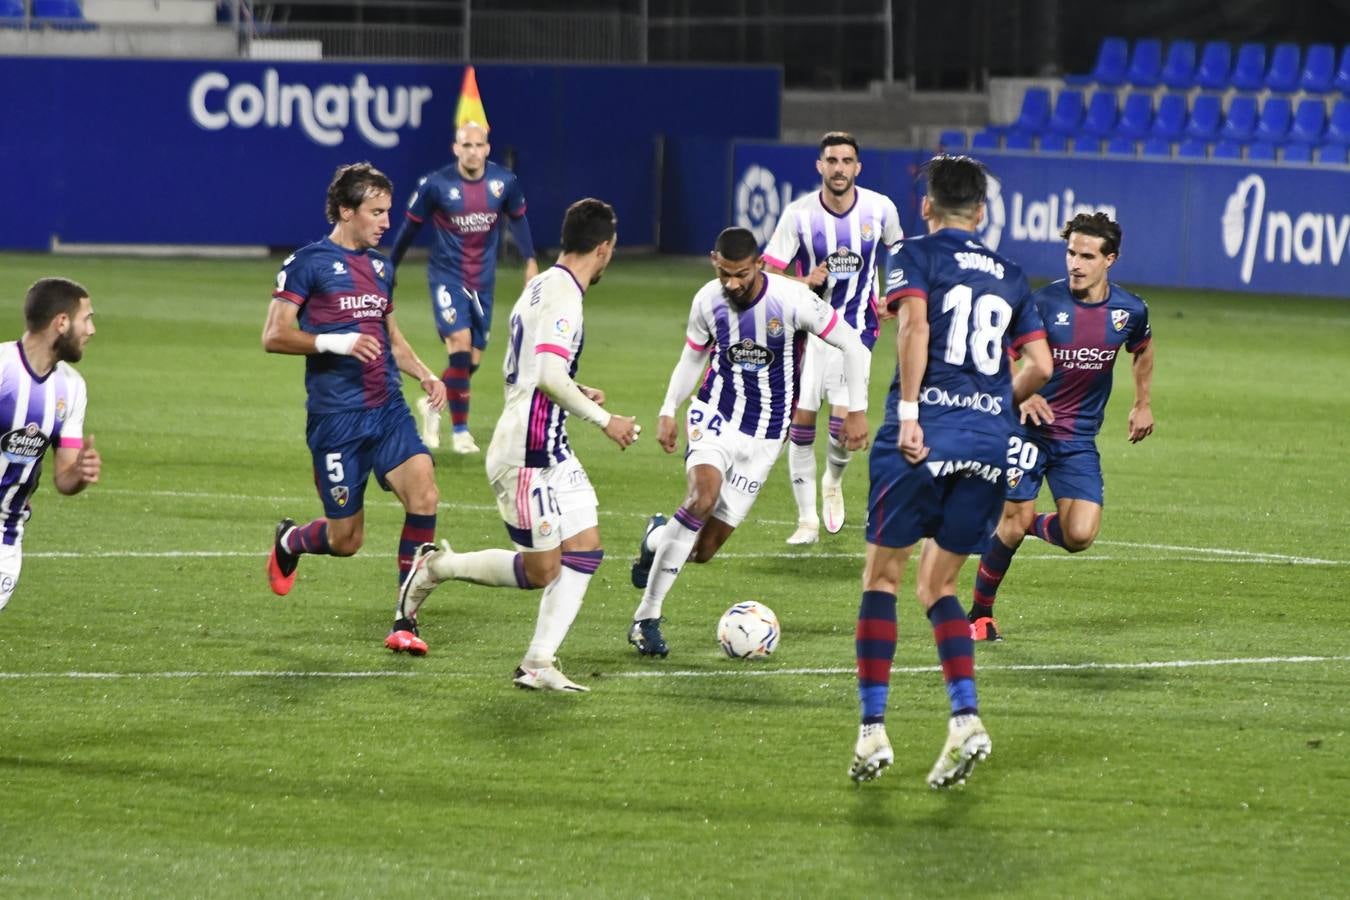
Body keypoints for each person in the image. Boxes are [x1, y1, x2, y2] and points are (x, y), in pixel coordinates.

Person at [848, 155, 1052, 789]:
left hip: (921, 436)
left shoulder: (916, 254)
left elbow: (912, 323)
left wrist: (910, 412)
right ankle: (965, 719)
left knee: (883, 577)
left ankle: (873, 731)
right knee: (939, 587)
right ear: (984, 212)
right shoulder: (1014, 275)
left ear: (927, 207)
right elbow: (1041, 364)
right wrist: (996, 405)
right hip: (990, 445)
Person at [395, 198, 640, 692]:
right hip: (526, 455)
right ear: (605, 248)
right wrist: (604, 418)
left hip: (548, 445)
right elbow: (548, 374)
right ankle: (437, 566)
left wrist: (576, 388)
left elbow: (537, 373)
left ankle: (538, 662)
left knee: (586, 547)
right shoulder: (565, 297)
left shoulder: (542, 285)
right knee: (542, 570)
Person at [627, 226, 871, 658]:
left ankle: (655, 538)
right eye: (725, 273)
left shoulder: (792, 300)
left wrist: (855, 409)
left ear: (759, 263)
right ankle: (646, 617)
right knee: (702, 498)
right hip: (715, 416)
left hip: (765, 437)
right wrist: (669, 407)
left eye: (740, 274)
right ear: (713, 262)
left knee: (701, 551)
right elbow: (693, 356)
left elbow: (851, 343)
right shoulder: (707, 299)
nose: (733, 283)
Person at [263, 162, 448, 656]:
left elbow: (390, 339)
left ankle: (405, 618)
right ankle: (291, 542)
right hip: (337, 420)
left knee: (425, 495)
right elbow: (274, 335)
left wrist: (426, 374)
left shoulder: (381, 268)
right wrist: (334, 343)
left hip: (386, 409)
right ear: (346, 211)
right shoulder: (307, 263)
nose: (386, 222)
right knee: (346, 540)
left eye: (388, 211)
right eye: (376, 212)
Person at [968, 212, 1154, 642]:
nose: (1075, 263)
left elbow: (1142, 348)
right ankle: (980, 614)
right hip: (1026, 431)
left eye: (1087, 256)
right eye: (1071, 252)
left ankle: (1023, 521)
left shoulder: (1129, 311)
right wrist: (1024, 391)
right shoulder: (1041, 304)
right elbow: (1000, 351)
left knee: (1080, 535)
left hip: (1077, 439)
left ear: (1111, 259)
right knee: (1012, 523)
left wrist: (1142, 403)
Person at [762, 132, 904, 544]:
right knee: (802, 422)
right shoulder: (799, 215)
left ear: (858, 167)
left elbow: (899, 252)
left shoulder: (880, 209)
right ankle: (806, 521)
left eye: (847, 160)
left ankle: (832, 481)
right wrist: (804, 280)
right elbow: (767, 273)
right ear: (819, 166)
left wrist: (892, 296)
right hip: (808, 334)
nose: (839, 168)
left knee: (842, 423)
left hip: (857, 331)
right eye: (832, 160)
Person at [389, 121, 538, 455]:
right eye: (466, 145)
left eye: (478, 145)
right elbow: (409, 228)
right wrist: (391, 265)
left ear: (487, 148)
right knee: (460, 342)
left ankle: (433, 402)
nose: (472, 151)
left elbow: (518, 219)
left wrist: (529, 260)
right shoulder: (436, 185)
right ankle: (460, 432)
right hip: (447, 276)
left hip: (482, 282)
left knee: (469, 361)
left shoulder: (505, 182)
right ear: (455, 148)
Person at [0, 278, 101, 613]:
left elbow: (64, 477)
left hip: (6, 537)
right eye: (86, 318)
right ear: (62, 322)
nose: (92, 329)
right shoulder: (2, 369)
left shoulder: (72, 388)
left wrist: (81, 473)